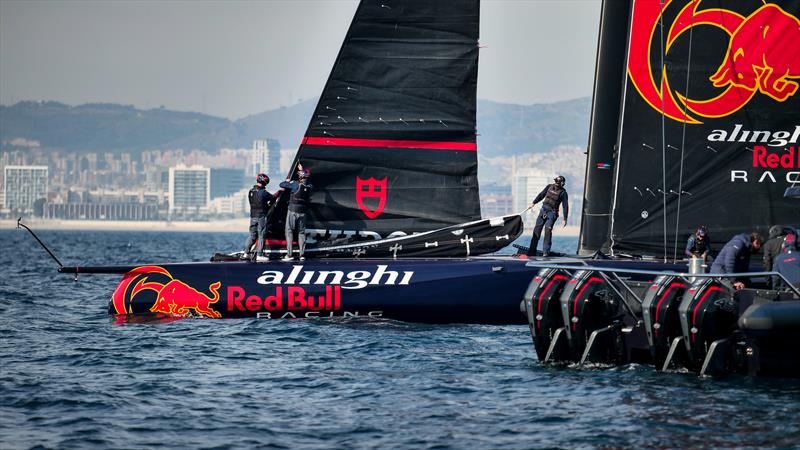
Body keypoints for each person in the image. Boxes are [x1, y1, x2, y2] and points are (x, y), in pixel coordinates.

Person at [526, 175, 569, 257]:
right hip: (543, 210)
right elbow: (541, 195)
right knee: (537, 230)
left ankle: (545, 252)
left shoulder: (563, 193)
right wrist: (533, 203)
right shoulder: (549, 187)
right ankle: (531, 251)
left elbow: (565, 206)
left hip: (552, 213)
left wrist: (565, 218)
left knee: (548, 231)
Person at [279, 164, 313, 261]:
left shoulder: (295, 184)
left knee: (289, 231)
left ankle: (289, 255)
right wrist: (302, 170)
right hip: (303, 212)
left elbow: (282, 185)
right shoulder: (310, 186)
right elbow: (308, 182)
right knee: (301, 233)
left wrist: (287, 181)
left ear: (300, 176)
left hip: (292, 211)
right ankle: (302, 255)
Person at [243, 173, 276, 262]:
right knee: (262, 235)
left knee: (252, 235)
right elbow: (273, 198)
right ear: (265, 182)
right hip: (261, 216)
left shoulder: (250, 191)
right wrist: (279, 192)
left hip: (252, 216)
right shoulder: (263, 192)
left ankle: (246, 253)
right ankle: (259, 255)